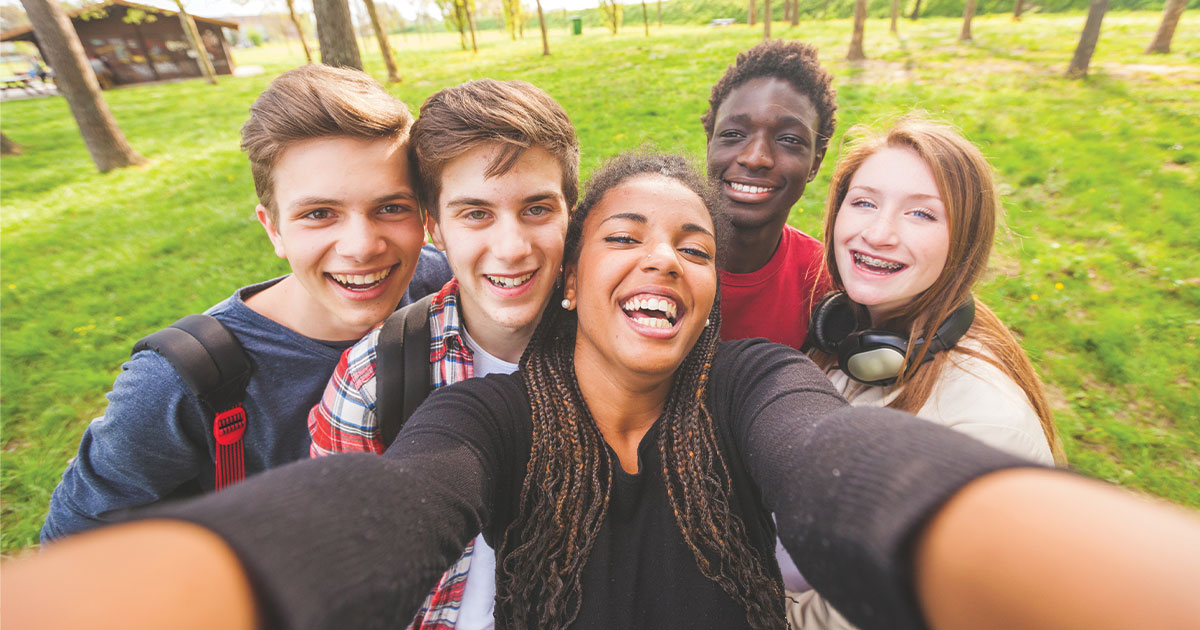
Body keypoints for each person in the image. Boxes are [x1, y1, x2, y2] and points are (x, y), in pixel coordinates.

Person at [5, 153, 1200, 630]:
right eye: (625, 234)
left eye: (689, 245)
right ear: (574, 281)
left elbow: (854, 473)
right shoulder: (484, 415)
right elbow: (384, 510)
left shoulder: (755, 384)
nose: (663, 260)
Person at [39, 65, 451, 543]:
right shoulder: (180, 382)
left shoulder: (440, 283)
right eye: (319, 214)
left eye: (390, 207)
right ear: (273, 228)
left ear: (423, 217)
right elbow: (73, 545)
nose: (361, 246)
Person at [307, 78, 578, 630]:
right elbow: (337, 582)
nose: (511, 248)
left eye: (537, 209)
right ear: (434, 228)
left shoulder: (621, 351)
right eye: (475, 213)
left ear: (570, 212)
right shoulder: (373, 380)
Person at [782, 115, 1070, 629]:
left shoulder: (986, 429)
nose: (878, 233)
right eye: (864, 202)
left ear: (963, 244)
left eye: (921, 214)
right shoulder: (844, 340)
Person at [702, 40, 837, 350]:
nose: (756, 158)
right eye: (733, 134)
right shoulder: (654, 258)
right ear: (709, 143)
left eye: (789, 139)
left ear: (816, 162)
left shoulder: (823, 282)